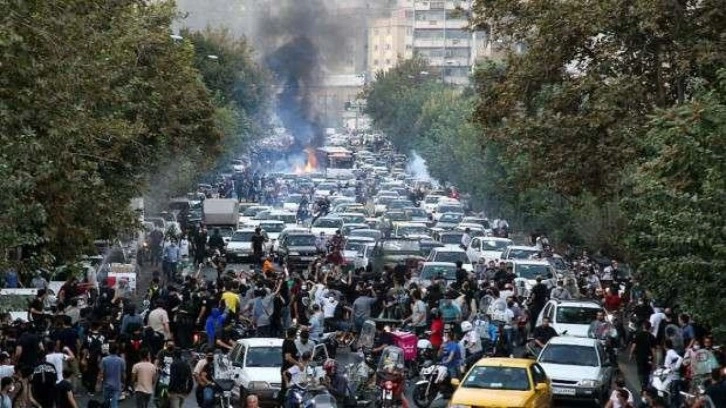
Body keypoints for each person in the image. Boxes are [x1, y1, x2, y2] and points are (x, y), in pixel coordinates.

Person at [630, 321, 657, 388]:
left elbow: (633, 346)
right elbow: (653, 350)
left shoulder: (638, 335)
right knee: (647, 371)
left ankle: (642, 384)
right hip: (649, 358)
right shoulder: (652, 337)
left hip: (639, 357)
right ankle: (646, 384)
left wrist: (630, 354)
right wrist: (654, 361)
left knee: (640, 371)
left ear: (643, 326)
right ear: (650, 327)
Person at [100, 343, 126, 408]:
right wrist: (123, 382)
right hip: (117, 385)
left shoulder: (104, 360)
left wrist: (99, 382)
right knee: (114, 402)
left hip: (107, 384)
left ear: (109, 350)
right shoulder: (121, 360)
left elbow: (101, 372)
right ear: (117, 351)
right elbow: (123, 374)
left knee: (106, 402)